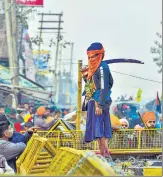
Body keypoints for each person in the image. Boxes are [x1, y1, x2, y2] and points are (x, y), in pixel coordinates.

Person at [83, 42, 113, 157]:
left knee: (101, 131)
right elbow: (92, 85)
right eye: (89, 57)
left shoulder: (102, 67)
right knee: (97, 131)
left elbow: (105, 86)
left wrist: (99, 103)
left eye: (94, 56)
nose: (91, 59)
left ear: (101, 54)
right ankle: (103, 155)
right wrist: (86, 77)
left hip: (99, 103)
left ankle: (105, 155)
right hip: (91, 102)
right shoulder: (92, 68)